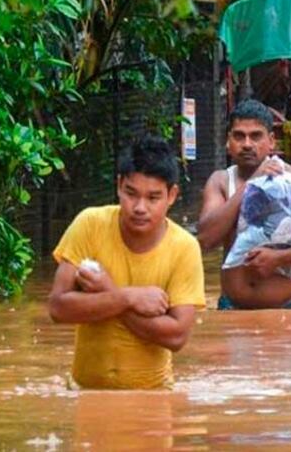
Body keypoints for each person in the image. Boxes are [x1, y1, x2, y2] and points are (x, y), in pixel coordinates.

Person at [48, 135, 205, 389]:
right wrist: (126, 297)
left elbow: (177, 336)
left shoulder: (184, 248)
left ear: (172, 195)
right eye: (131, 193)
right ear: (120, 185)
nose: (140, 207)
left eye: (153, 198)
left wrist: (108, 291)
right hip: (85, 393)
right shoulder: (89, 223)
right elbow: (57, 308)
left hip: (153, 398)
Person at [198, 98, 291, 310]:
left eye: (256, 136)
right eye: (239, 136)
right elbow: (205, 240)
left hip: (287, 309)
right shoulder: (221, 181)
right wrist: (251, 185)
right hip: (233, 308)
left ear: (271, 141)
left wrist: (279, 258)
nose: (247, 144)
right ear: (228, 142)